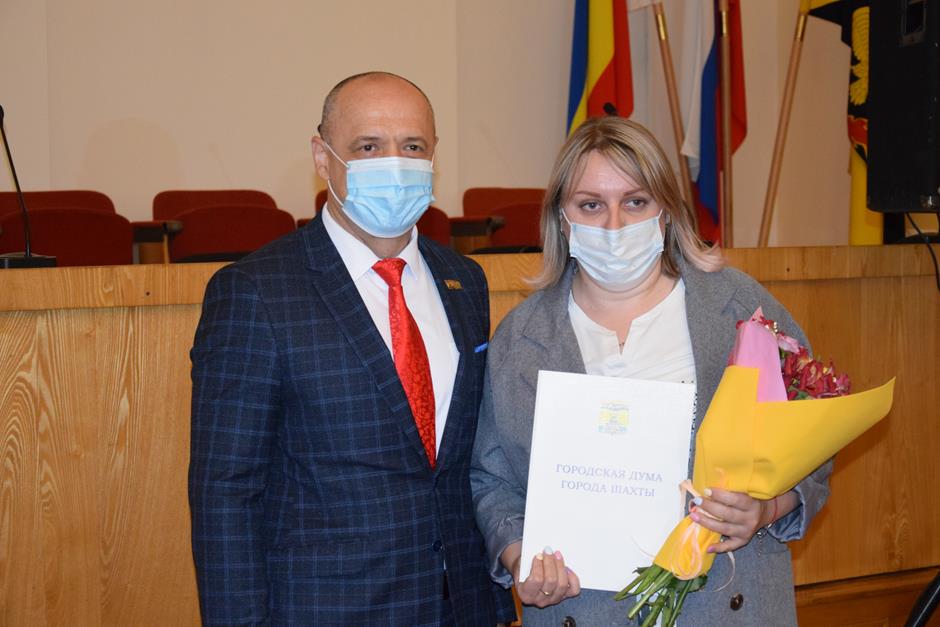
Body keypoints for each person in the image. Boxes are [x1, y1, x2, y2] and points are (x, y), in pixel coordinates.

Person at [470, 116, 831, 625]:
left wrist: (768, 509)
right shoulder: (520, 336)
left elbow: (813, 442)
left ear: (666, 211)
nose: (615, 225)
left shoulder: (739, 306)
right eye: (591, 205)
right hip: (581, 606)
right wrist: (518, 554)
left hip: (728, 604)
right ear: (561, 219)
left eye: (635, 201)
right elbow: (491, 478)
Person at [189, 71, 513, 626]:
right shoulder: (256, 291)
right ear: (323, 157)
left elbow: (466, 461)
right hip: (326, 609)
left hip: (461, 607)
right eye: (368, 146)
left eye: (412, 146)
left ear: (434, 154)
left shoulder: (465, 281)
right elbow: (226, 494)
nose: (395, 163)